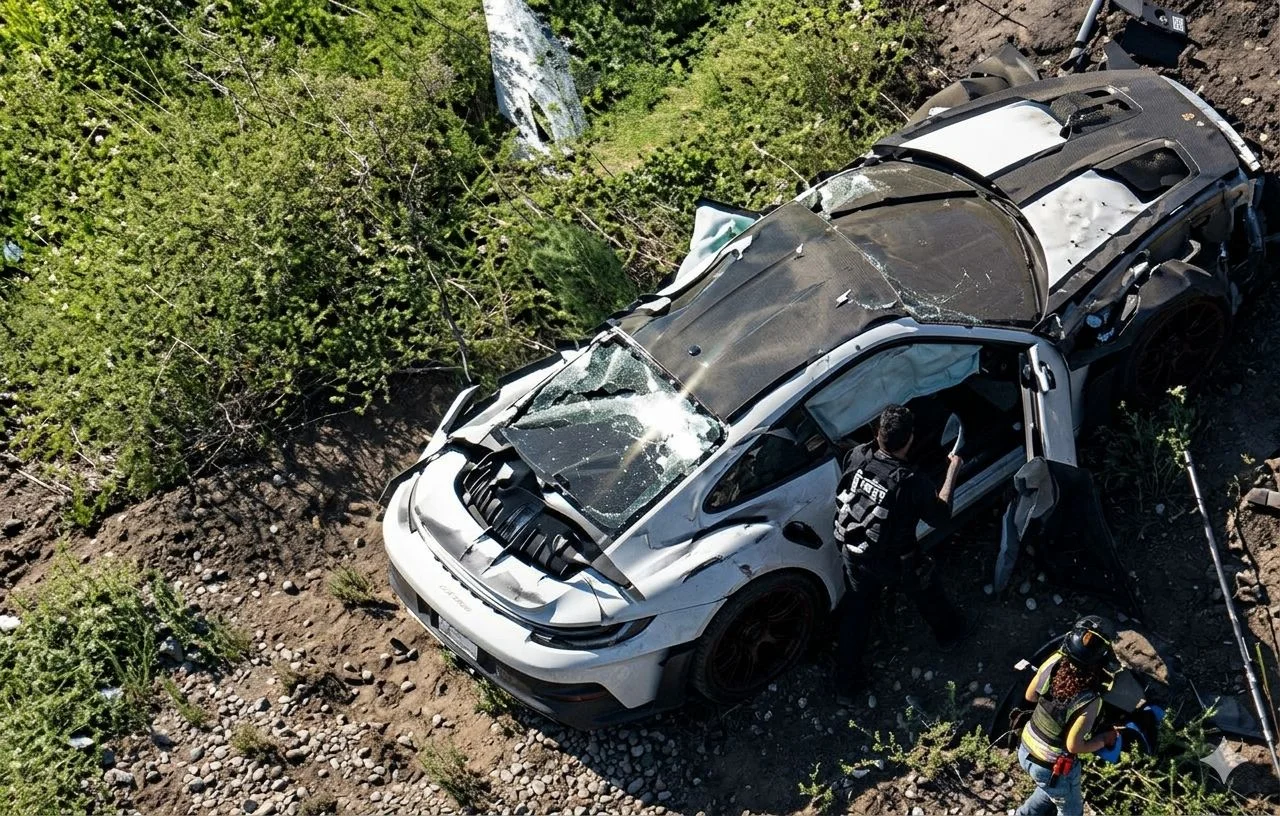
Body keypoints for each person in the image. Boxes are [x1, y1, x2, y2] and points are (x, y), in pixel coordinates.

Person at [833, 404, 967, 704]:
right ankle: (951, 635)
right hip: (897, 562)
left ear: (878, 434)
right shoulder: (911, 482)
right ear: (910, 440)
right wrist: (952, 470)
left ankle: (845, 687)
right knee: (927, 590)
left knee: (856, 614)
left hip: (855, 551)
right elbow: (940, 516)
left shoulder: (857, 455)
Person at [1015, 615, 1123, 816]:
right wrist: (1102, 739)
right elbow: (1073, 746)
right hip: (1052, 767)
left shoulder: (1054, 662)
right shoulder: (1089, 701)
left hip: (1025, 748)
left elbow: (1030, 696)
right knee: (1070, 810)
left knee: (1049, 791)